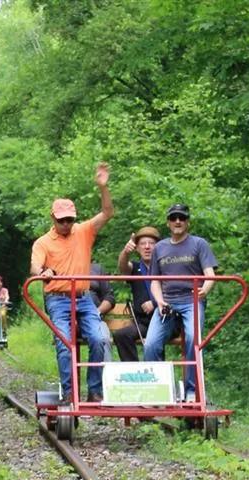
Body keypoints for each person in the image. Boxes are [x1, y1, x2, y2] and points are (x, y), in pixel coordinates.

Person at [30, 162, 114, 403]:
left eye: (69, 220)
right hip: (58, 299)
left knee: (99, 339)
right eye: (62, 220)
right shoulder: (43, 242)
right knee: (65, 344)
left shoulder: (84, 231)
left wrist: (103, 187)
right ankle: (69, 393)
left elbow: (107, 213)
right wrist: (43, 272)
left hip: (84, 297)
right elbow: (35, 265)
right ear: (53, 219)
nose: (66, 224)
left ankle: (95, 390)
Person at [143, 204, 217, 402]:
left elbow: (210, 274)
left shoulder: (199, 244)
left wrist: (205, 289)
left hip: (191, 300)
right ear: (168, 222)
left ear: (187, 222)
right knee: (150, 344)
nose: (178, 221)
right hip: (167, 302)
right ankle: (157, 390)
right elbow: (155, 281)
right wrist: (159, 301)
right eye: (174, 218)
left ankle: (192, 391)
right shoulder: (160, 248)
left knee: (193, 337)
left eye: (182, 218)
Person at [113, 226, 161, 361]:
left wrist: (155, 302)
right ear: (137, 248)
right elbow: (123, 268)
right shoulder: (135, 267)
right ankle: (134, 372)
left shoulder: (165, 267)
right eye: (143, 244)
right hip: (144, 323)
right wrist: (125, 252)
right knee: (121, 335)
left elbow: (175, 292)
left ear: (158, 247)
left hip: (164, 321)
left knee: (155, 339)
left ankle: (157, 376)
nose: (147, 247)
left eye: (151, 243)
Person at [88, 262, 115, 361]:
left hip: (95, 319)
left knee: (103, 338)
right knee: (65, 340)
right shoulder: (64, 267)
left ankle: (105, 375)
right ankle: (71, 376)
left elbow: (110, 297)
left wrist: (97, 312)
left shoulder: (97, 269)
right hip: (69, 320)